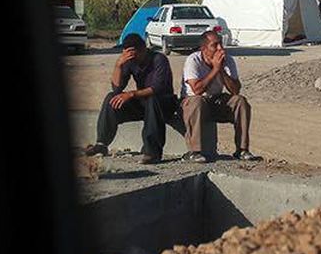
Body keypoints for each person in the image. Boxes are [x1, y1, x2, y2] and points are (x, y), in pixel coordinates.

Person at [84, 33, 177, 164]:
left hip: (164, 103)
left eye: (134, 53)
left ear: (143, 49)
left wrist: (131, 94)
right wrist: (118, 65)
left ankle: (152, 152)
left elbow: (158, 88)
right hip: (143, 103)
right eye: (128, 54)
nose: (132, 57)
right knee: (111, 98)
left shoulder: (158, 59)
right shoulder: (130, 61)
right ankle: (101, 144)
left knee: (152, 99)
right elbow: (117, 89)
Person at [180, 30, 257, 163]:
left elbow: (235, 90)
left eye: (221, 44)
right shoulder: (193, 60)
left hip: (215, 100)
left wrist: (221, 69)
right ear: (204, 48)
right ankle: (194, 151)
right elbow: (197, 90)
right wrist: (215, 69)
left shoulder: (228, 60)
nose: (220, 48)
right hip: (193, 103)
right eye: (214, 45)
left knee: (240, 101)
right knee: (197, 101)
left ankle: (242, 149)